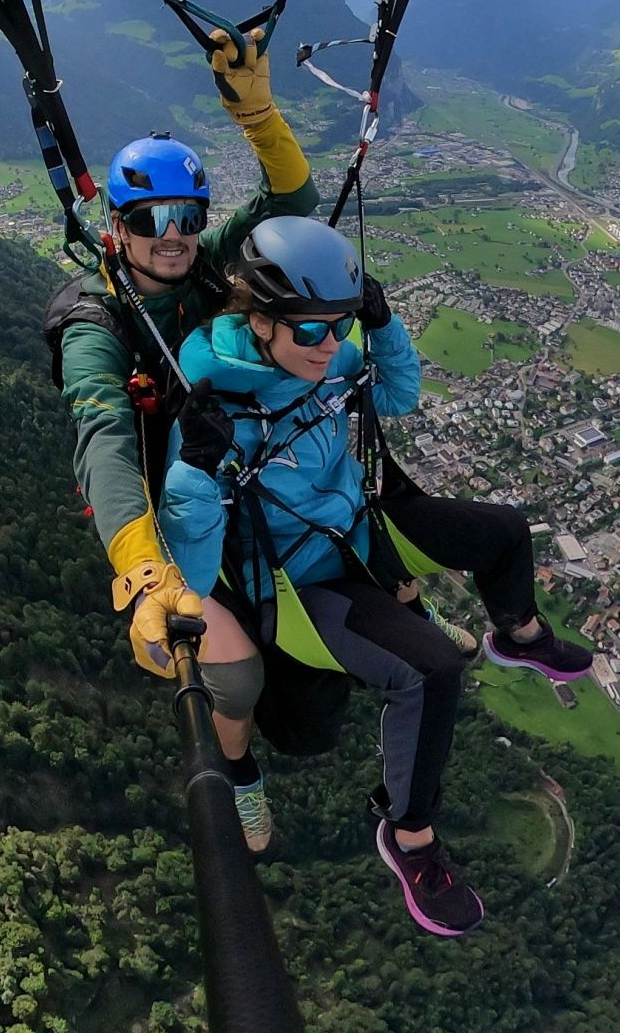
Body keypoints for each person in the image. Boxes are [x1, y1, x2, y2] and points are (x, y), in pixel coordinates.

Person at [158, 216, 593, 937]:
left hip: (363, 529)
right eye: (310, 331)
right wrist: (194, 471)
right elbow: (198, 571)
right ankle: (409, 835)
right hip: (300, 583)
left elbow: (397, 395)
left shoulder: (324, 354)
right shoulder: (214, 411)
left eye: (341, 324)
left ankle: (519, 632)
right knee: (428, 672)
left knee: (505, 533)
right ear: (259, 320)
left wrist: (382, 324)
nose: (330, 346)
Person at [47, 24, 319, 854]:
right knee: (235, 673)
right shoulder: (96, 324)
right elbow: (103, 435)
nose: (172, 233)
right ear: (116, 228)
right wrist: (140, 563)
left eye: (188, 216)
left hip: (237, 476)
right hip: (169, 515)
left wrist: (260, 117)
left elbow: (293, 207)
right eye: (149, 219)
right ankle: (240, 776)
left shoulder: (203, 269)